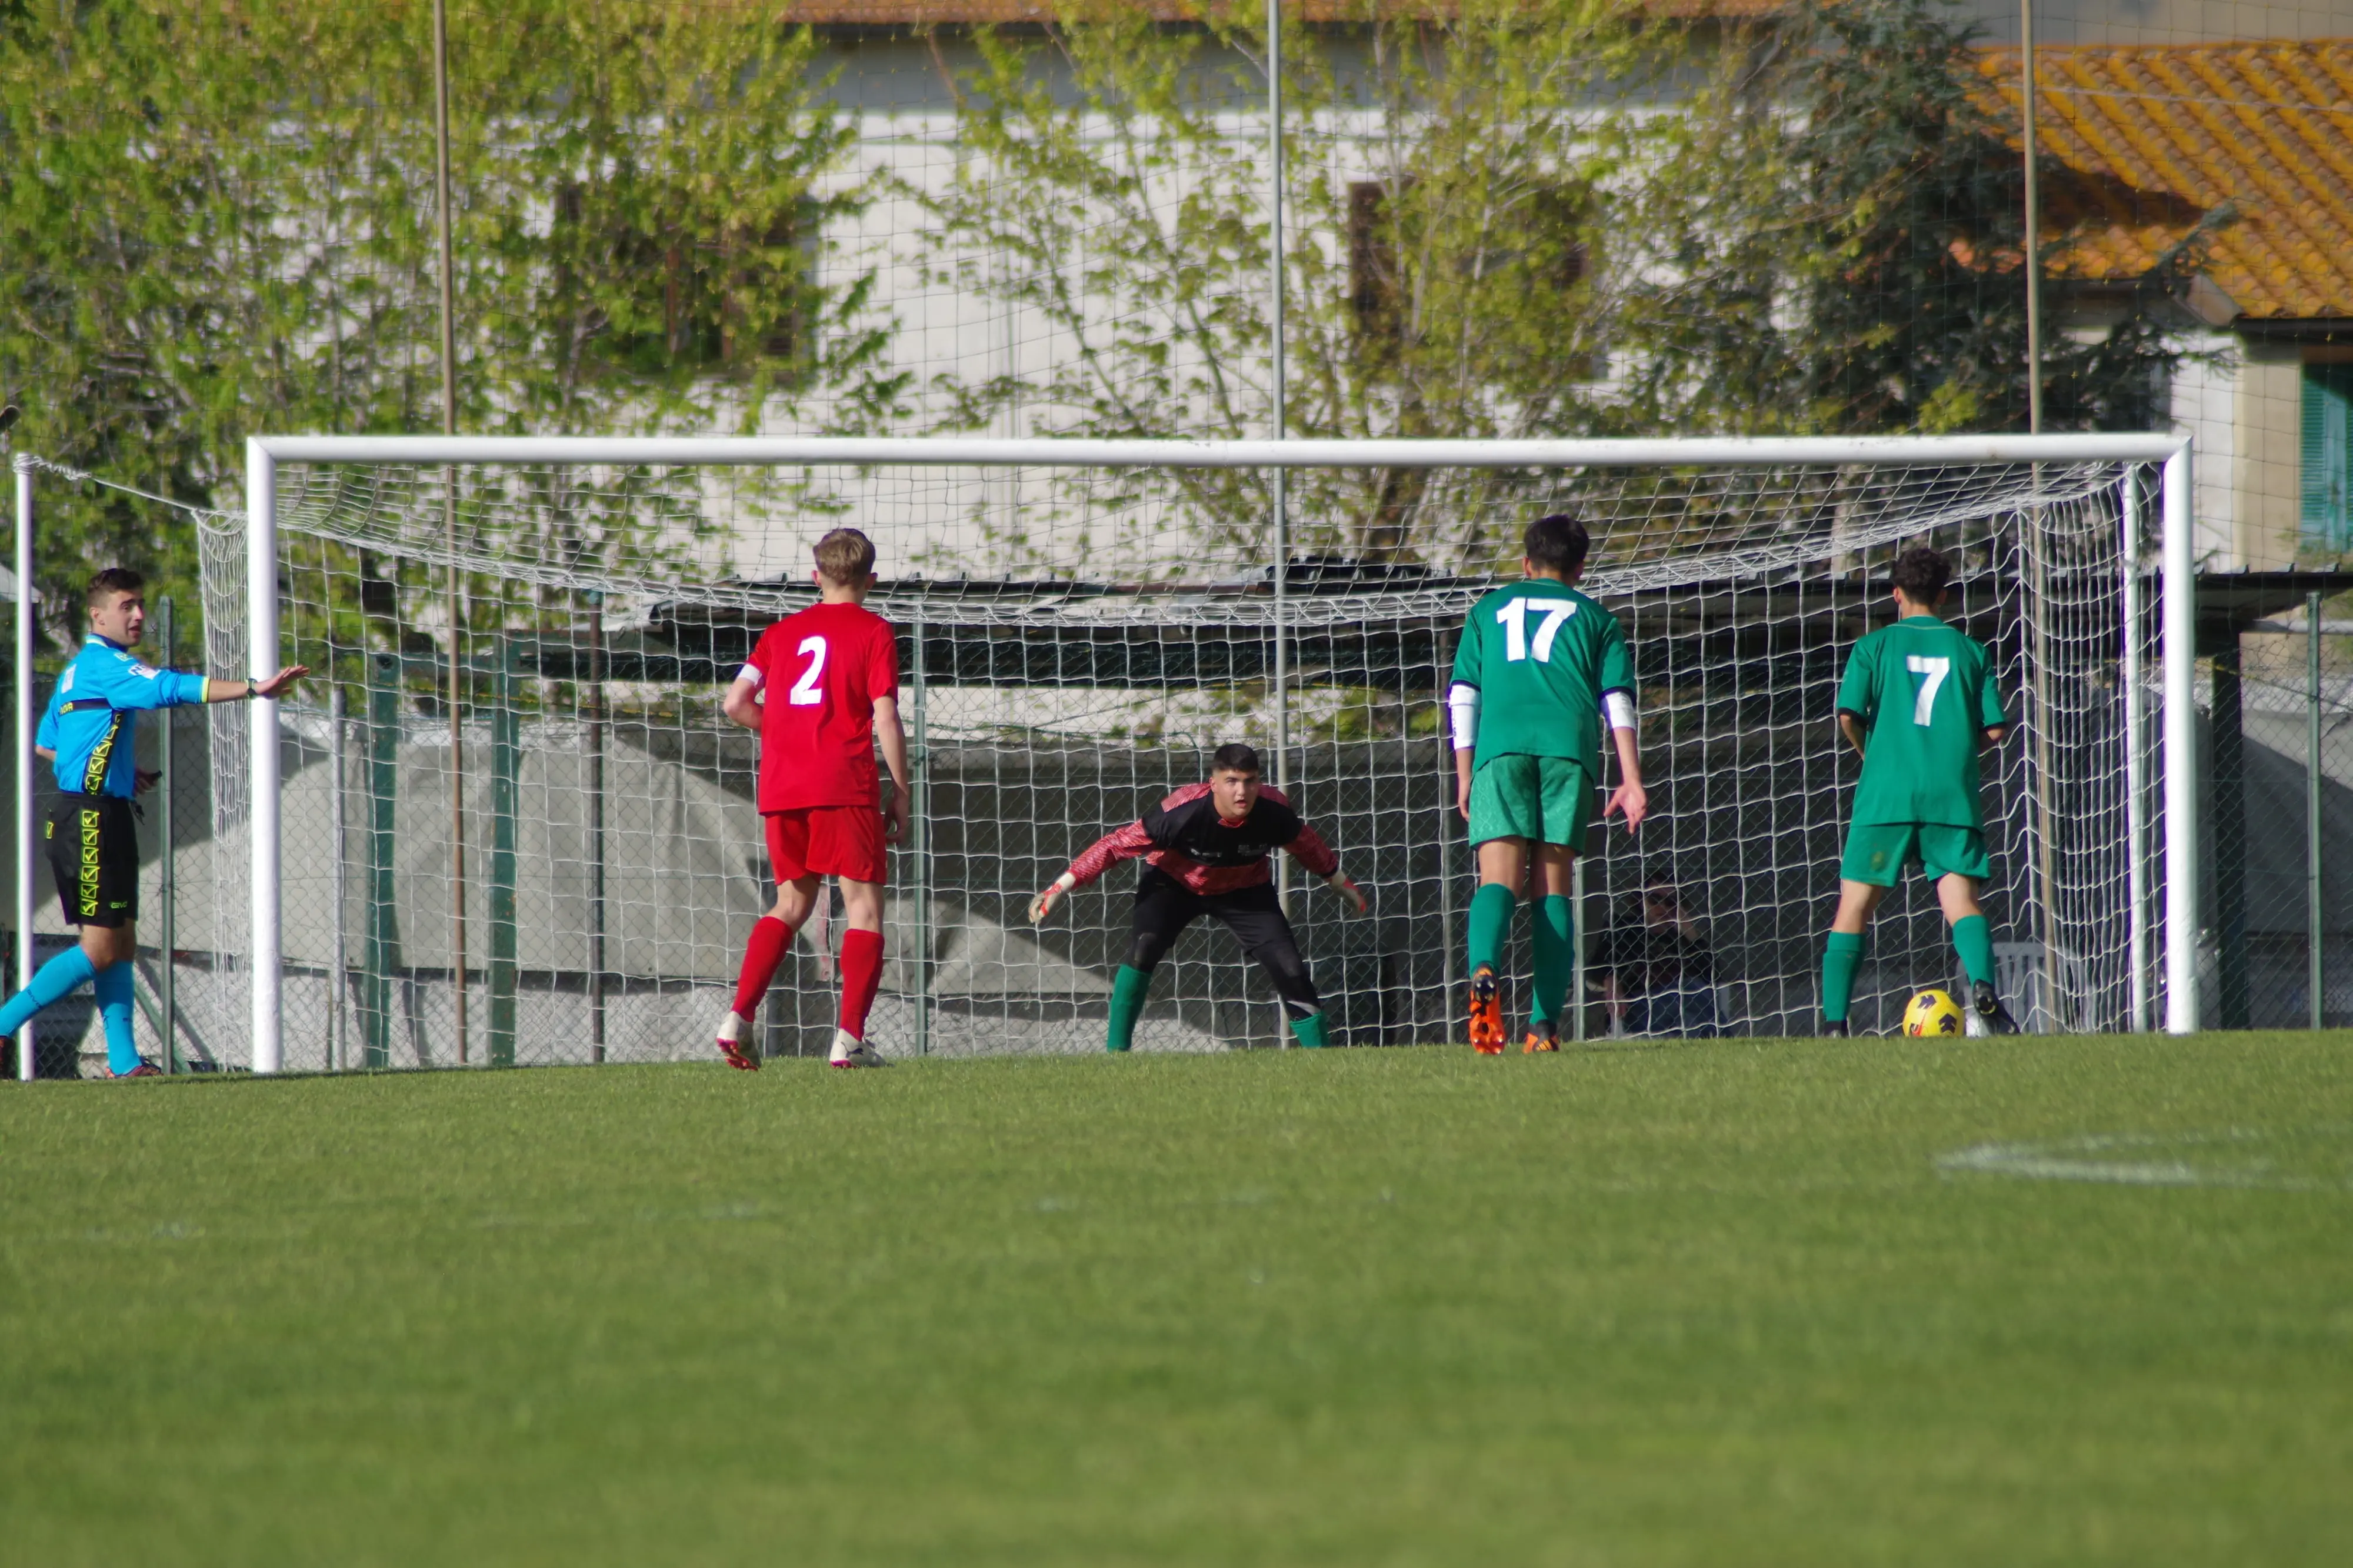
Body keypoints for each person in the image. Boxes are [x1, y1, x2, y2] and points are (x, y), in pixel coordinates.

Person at [0, 568, 306, 1077]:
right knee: (99, 949)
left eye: (141, 604)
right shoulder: (107, 665)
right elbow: (169, 687)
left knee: (120, 943)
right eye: (127, 606)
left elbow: (46, 742)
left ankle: (124, 1063)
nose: (139, 615)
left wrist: (118, 769)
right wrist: (255, 689)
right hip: (88, 820)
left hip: (104, 812)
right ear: (98, 616)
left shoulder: (76, 671)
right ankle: (5, 1022)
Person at [1449, 511, 1647, 1054]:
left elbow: (1463, 693)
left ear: (1525, 562)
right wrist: (1631, 779)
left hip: (1500, 750)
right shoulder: (1598, 619)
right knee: (1552, 885)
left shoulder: (1486, 610)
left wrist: (1466, 774)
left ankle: (1485, 969)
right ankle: (1543, 1028)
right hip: (1567, 752)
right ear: (1580, 568)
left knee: (1498, 881)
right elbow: (1617, 702)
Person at [714, 528, 911, 1070]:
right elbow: (886, 715)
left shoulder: (779, 634)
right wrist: (901, 791)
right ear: (871, 580)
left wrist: (782, 734)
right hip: (843, 783)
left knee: (791, 904)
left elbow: (736, 702)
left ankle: (739, 1016)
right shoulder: (875, 631)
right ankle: (849, 1039)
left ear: (814, 576)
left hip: (783, 785)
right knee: (866, 912)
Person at [1027, 743, 1368, 1052]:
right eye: (1232, 781)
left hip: (1245, 889)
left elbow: (1307, 846)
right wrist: (1060, 887)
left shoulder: (1274, 810)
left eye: (1250, 781)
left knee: (1291, 967)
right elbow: (1114, 846)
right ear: (1213, 783)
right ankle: (1117, 1054)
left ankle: (1322, 1062)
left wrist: (1341, 883)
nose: (1242, 792)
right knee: (1145, 947)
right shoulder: (1181, 811)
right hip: (1173, 885)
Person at [1820, 543, 2021, 1036]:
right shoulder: (1972, 651)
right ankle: (1982, 989)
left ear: (1895, 594)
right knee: (1961, 905)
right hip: (1949, 797)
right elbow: (1996, 730)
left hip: (1885, 795)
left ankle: (1833, 1024)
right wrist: (1952, 753)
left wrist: (1873, 755)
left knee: (1854, 906)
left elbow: (1847, 715)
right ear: (1944, 596)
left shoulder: (1874, 646)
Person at [1595, 876, 1718, 1039]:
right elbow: (1598, 964)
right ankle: (1726, 1039)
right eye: (1655, 899)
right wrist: (1612, 982)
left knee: (1690, 1018)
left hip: (1682, 1007)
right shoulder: (1622, 928)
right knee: (1690, 988)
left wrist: (1691, 933)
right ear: (1641, 901)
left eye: (1670, 902)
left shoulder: (1681, 940)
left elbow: (1714, 976)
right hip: (1637, 1008)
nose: (1662, 907)